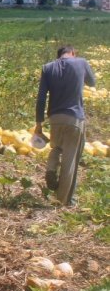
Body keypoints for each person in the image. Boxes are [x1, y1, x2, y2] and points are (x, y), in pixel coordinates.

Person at [35, 45, 96, 206]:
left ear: (58, 55)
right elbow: (92, 82)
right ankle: (63, 200)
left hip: (55, 118)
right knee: (70, 160)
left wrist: (38, 124)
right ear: (73, 53)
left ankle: (50, 168)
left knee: (56, 148)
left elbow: (41, 98)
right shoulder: (81, 62)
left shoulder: (47, 68)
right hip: (75, 119)